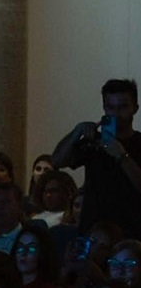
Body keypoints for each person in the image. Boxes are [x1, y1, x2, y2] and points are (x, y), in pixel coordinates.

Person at [53, 78, 141, 238]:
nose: (116, 114)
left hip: (131, 232)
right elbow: (57, 161)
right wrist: (76, 133)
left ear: (135, 108)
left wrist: (122, 156)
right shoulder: (94, 142)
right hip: (92, 229)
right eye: (110, 107)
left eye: (123, 107)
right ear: (104, 108)